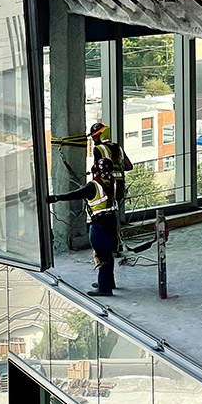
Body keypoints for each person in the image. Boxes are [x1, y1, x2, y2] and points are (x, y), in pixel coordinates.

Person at [49, 157, 118, 296]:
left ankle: (105, 289)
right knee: (108, 254)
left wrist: (57, 198)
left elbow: (76, 194)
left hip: (99, 224)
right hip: (111, 220)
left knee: (101, 255)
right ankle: (108, 282)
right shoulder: (111, 181)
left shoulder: (93, 186)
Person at [89, 121, 133, 210]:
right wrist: (117, 168)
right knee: (115, 210)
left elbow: (96, 169)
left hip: (106, 186)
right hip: (120, 186)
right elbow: (129, 166)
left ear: (102, 134)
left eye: (95, 136)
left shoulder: (98, 149)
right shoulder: (118, 147)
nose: (93, 139)